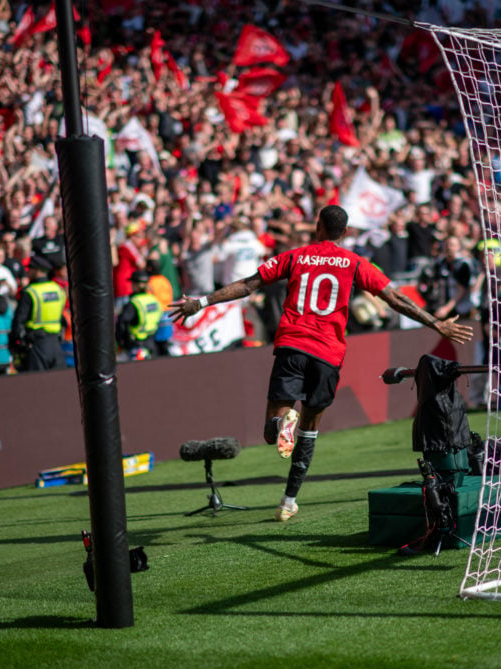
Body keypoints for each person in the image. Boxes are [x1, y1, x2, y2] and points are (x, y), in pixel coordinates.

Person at [170, 206, 474, 522]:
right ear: (343, 233)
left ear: (318, 226)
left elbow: (248, 284)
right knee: (310, 429)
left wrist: (200, 303)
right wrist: (435, 323)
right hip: (327, 354)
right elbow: (395, 299)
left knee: (270, 433)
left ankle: (280, 423)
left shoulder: (295, 256)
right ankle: (288, 501)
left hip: (292, 346)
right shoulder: (355, 263)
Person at [10, 255, 67, 372]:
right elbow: (62, 318)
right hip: (56, 345)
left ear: (38, 271)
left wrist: (16, 344)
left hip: (37, 344)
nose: (28, 271)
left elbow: (19, 320)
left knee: (37, 385)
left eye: (31, 268)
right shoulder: (57, 289)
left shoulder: (30, 291)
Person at [116, 269, 163, 360]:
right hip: (152, 343)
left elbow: (122, 323)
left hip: (136, 347)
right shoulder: (154, 299)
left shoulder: (134, 303)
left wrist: (122, 342)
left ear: (136, 285)